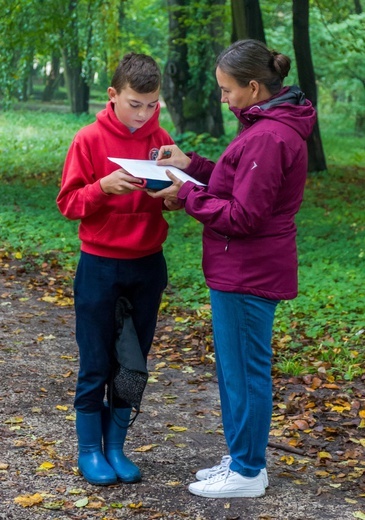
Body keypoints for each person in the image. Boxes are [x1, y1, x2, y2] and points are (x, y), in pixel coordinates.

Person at [147, 39, 317, 498]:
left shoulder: (268, 135)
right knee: (235, 370)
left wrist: (184, 194)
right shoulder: (264, 125)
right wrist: (190, 166)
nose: (223, 99)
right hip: (241, 269)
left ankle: (246, 471)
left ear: (255, 86)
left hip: (249, 271)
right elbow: (233, 181)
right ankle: (243, 456)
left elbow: (243, 216)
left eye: (227, 90)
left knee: (244, 372)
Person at [56, 52, 174, 486]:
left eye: (152, 105)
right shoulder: (88, 139)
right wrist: (102, 188)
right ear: (113, 96)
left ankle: (116, 447)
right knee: (96, 360)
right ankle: (90, 451)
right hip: (100, 265)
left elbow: (173, 199)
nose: (143, 115)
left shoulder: (160, 138)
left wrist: (175, 196)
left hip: (147, 266)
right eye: (134, 104)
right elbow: (68, 204)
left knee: (133, 363)